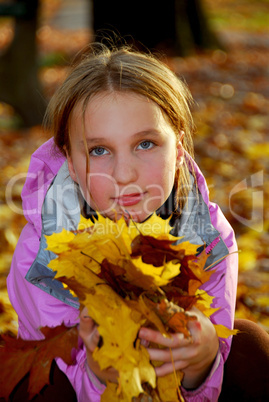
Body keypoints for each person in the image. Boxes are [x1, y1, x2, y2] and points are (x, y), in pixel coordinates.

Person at [6, 44, 268, 402]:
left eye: (145, 144)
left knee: (250, 346)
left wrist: (202, 365)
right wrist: (98, 374)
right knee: (29, 382)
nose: (124, 174)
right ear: (68, 160)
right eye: (99, 150)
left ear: (177, 149)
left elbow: (202, 380)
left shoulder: (208, 236)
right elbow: (62, 375)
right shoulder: (41, 254)